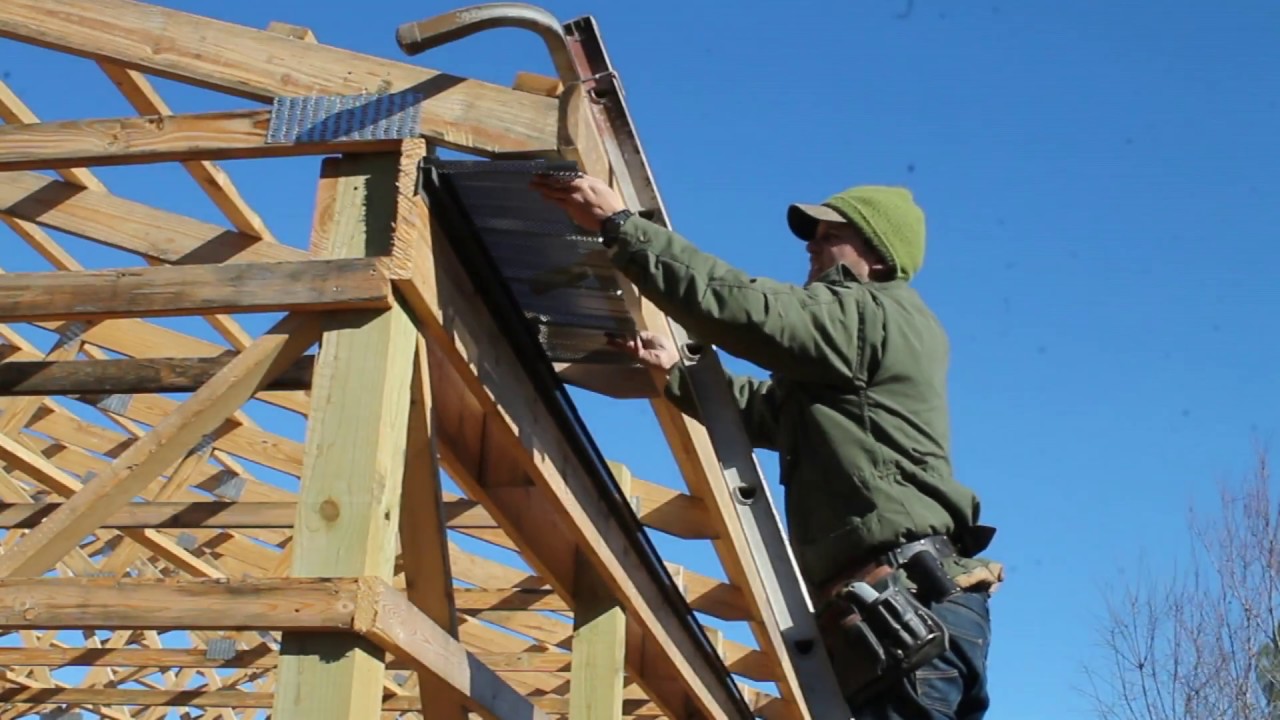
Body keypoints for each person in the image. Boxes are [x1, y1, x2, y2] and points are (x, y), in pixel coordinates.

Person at [532, 173, 1004, 720]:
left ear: (875, 257)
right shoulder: (860, 347)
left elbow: (748, 310)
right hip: (903, 610)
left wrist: (622, 228)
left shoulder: (869, 312)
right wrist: (677, 374)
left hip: (900, 607)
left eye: (830, 235)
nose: (811, 244)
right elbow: (772, 415)